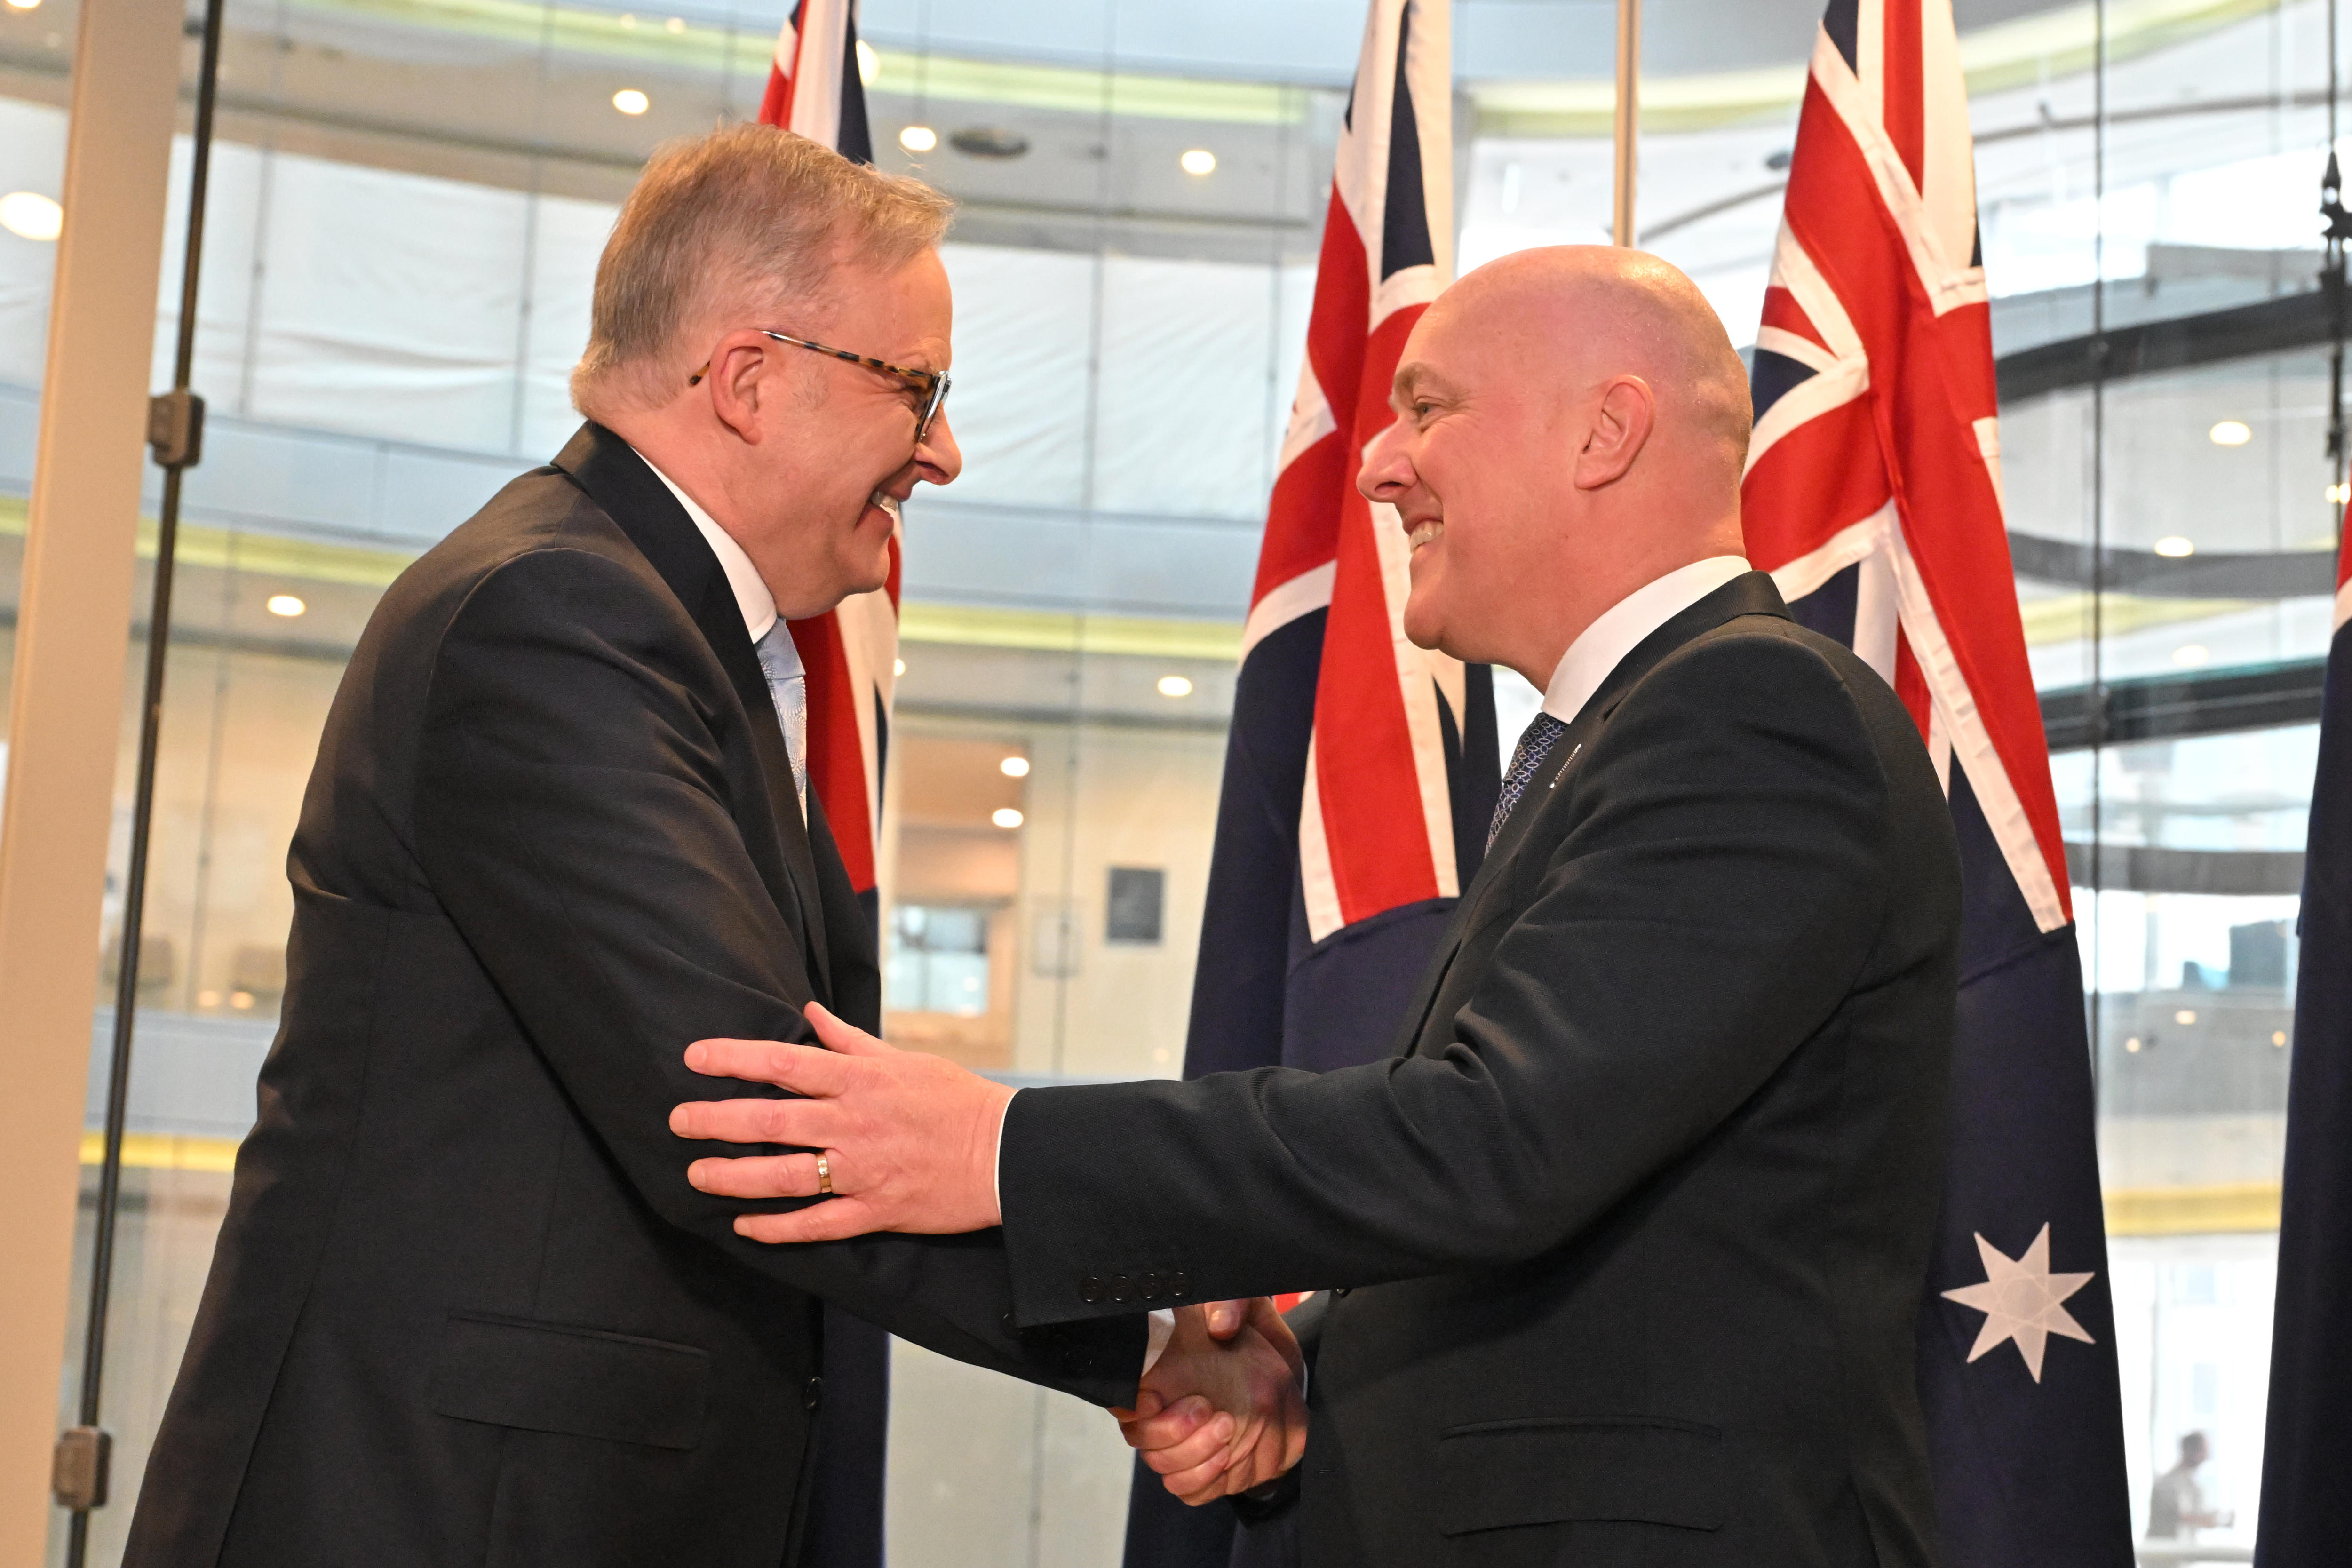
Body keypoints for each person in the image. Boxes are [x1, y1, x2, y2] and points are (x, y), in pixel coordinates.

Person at [669, 244, 1967, 1566]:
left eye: (1428, 406)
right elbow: (1584, 1212)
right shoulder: (1629, 735)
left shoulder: (1754, 710)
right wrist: (1297, 1372)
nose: (1377, 463)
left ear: (1605, 431)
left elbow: (1495, 1140)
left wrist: (1001, 1147)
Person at [122, 125, 1299, 1568]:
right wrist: (1154, 1334)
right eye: (917, 388)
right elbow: (754, 1115)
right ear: (749, 379)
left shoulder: (668, 635)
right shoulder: (555, 617)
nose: (943, 447)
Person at [2146, 1432, 2231, 1540]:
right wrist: (2213, 1520)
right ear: (2190, 1451)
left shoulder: (2192, 1484)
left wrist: (2217, 1519)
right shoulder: (2167, 1484)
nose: (2207, 1456)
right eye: (2203, 1451)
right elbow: (2181, 1516)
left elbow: (2199, 1513)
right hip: (2164, 1551)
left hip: (2183, 1550)